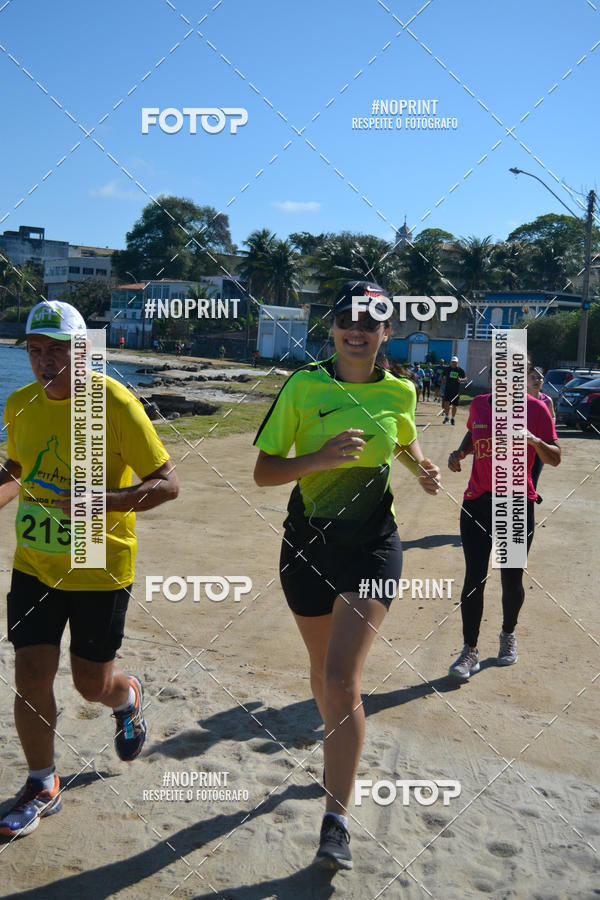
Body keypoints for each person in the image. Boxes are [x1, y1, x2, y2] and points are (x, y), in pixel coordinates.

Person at [253, 281, 441, 870]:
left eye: (370, 321)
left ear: (387, 333)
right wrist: (317, 459)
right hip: (306, 547)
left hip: (373, 548)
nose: (356, 328)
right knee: (321, 675)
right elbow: (264, 473)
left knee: (341, 682)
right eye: (346, 319)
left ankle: (336, 821)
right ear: (331, 328)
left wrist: (421, 469)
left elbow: (403, 440)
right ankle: (339, 745)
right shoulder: (304, 385)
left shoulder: (401, 391)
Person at [0, 300, 179, 839]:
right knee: (30, 672)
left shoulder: (115, 403)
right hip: (33, 561)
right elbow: (16, 469)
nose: (45, 360)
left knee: (89, 685)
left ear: (83, 352)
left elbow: (167, 484)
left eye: (58, 349)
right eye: (35, 349)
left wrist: (102, 501)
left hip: (97, 563)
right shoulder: (19, 403)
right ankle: (42, 783)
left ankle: (126, 698)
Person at [446, 364, 560, 681]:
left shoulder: (537, 409)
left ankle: (508, 634)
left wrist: (534, 441)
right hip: (476, 503)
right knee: (474, 578)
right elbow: (474, 431)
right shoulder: (481, 404)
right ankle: (469, 650)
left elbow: (555, 456)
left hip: (515, 504)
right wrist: (460, 452)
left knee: (511, 580)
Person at [527, 365, 555, 502]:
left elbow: (552, 419)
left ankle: (531, 499)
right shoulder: (518, 400)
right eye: (533, 377)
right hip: (521, 447)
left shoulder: (547, 400)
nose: (537, 380)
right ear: (525, 380)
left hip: (539, 447)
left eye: (540, 377)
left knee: (533, 476)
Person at [441, 356, 466, 424]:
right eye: (452, 362)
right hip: (448, 389)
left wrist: (461, 380)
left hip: (456, 390)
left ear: (457, 363)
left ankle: (452, 418)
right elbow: (443, 375)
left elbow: (465, 378)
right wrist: (443, 379)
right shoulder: (447, 369)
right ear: (450, 362)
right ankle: (446, 417)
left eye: (455, 362)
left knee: (454, 406)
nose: (454, 363)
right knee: (447, 403)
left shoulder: (460, 370)